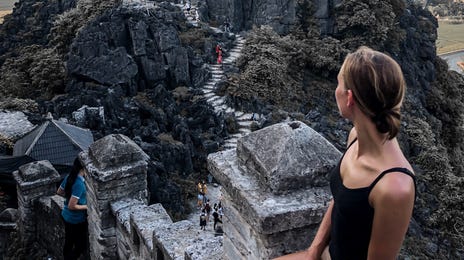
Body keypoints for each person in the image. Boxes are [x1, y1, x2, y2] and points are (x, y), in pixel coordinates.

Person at [274, 46, 416, 260]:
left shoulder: (395, 187)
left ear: (349, 97)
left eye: (338, 84)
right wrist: (312, 253)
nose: (335, 90)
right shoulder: (355, 137)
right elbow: (340, 200)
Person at [56, 158, 88, 260]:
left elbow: (59, 192)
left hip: (66, 215)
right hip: (76, 219)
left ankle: (67, 257)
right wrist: (88, 207)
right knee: (80, 245)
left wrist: (69, 196)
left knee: (69, 241)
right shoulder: (80, 184)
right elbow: (72, 206)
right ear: (83, 167)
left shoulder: (70, 177)